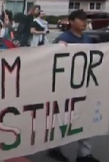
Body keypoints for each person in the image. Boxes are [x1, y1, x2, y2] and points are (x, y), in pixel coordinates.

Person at [48, 10, 99, 162]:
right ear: (71, 21)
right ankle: (55, 148)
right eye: (80, 19)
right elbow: (53, 57)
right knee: (63, 117)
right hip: (65, 85)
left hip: (83, 84)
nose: (84, 22)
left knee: (84, 116)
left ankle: (84, 154)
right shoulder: (63, 38)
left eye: (86, 20)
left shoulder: (88, 39)